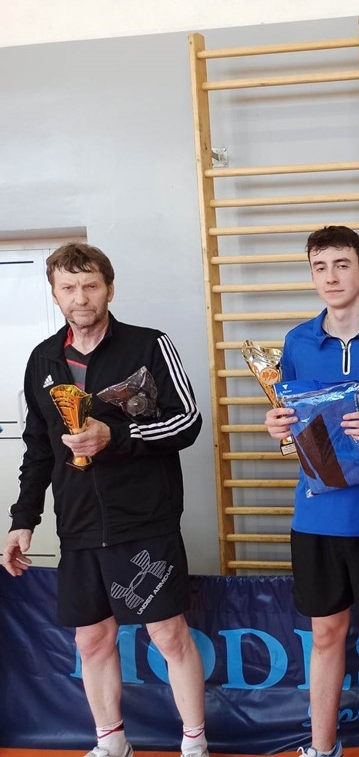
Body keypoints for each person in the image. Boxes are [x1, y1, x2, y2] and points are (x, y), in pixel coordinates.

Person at [2, 242, 208, 757]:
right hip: (78, 526)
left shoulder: (149, 345)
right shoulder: (43, 359)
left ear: (109, 289)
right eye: (68, 287)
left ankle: (194, 743)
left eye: (90, 285)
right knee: (91, 640)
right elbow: (38, 449)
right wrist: (23, 519)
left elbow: (187, 422)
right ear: (55, 294)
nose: (81, 297)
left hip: (145, 522)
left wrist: (114, 436)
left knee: (168, 635)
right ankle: (112, 742)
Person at [263, 225, 359, 757]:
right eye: (320, 267)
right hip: (318, 517)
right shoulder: (297, 342)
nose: (331, 277)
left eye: (342, 264)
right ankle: (322, 748)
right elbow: (298, 425)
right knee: (326, 634)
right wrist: (280, 428)